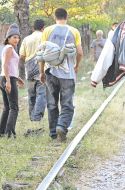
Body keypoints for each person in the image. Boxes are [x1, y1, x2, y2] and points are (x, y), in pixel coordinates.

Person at [39, 8, 83, 141]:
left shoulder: (47, 31)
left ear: (55, 17)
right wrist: (76, 66)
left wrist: (41, 72)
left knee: (52, 104)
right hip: (67, 75)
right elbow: (80, 52)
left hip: (51, 73)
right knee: (67, 104)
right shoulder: (74, 31)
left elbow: (41, 54)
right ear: (67, 16)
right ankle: (62, 126)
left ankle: (53, 133)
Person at [20, 19, 47, 121]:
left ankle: (32, 117)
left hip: (29, 68)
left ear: (33, 28)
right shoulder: (44, 37)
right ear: (43, 28)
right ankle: (37, 117)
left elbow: (22, 56)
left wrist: (28, 62)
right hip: (41, 67)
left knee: (31, 95)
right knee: (41, 93)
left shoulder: (26, 39)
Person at [0, 23, 24, 138]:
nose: (17, 39)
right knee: (14, 107)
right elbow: (4, 64)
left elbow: (10, 66)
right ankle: (9, 133)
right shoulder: (9, 48)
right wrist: (9, 81)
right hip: (7, 78)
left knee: (7, 107)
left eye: (18, 37)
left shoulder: (9, 48)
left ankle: (2, 131)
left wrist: (17, 78)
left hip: (5, 77)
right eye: (14, 37)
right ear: (8, 38)